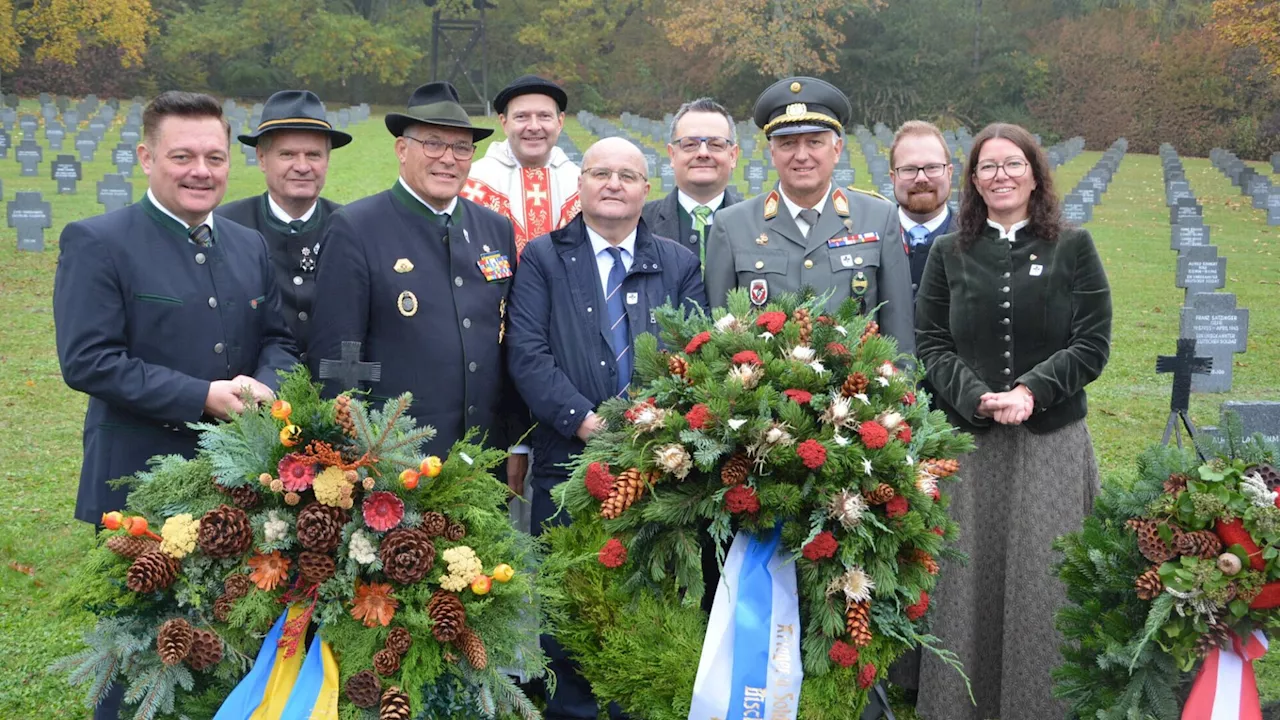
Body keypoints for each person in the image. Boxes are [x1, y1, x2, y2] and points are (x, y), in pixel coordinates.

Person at [53, 90, 297, 720]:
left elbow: (279, 338)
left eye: (214, 157)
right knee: (139, 654)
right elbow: (88, 360)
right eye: (182, 156)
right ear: (145, 157)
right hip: (136, 479)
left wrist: (268, 382)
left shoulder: (247, 245)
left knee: (228, 637)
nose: (201, 171)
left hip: (237, 481)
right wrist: (201, 397)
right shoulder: (99, 241)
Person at [914, 122, 1112, 720]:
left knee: (1044, 575)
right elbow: (930, 342)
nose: (1000, 175)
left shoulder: (1073, 247)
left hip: (1049, 440)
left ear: (1034, 174)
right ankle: (957, 703)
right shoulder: (949, 252)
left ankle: (1041, 704)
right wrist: (976, 397)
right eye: (987, 167)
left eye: (1012, 164)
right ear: (972, 181)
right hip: (969, 441)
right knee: (965, 578)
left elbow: (1092, 342)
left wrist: (1032, 391)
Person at [506, 136, 706, 720]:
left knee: (651, 600)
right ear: (581, 184)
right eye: (601, 173)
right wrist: (587, 424)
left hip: (658, 466)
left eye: (628, 175)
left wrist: (651, 429)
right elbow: (527, 354)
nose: (614, 184)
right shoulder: (543, 257)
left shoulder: (678, 263)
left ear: (647, 189)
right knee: (572, 603)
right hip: (570, 461)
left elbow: (693, 354)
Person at [307, 81, 528, 492]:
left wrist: (515, 444)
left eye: (462, 147)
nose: (448, 158)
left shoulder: (493, 227)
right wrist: (351, 455)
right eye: (433, 143)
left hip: (483, 456)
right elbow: (339, 357)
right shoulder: (357, 227)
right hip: (394, 467)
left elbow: (506, 341)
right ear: (402, 149)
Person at [705, 77, 914, 354]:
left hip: (858, 392)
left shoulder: (879, 217)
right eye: (788, 144)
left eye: (814, 142)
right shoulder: (732, 226)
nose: (801, 155)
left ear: (837, 149)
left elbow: (899, 335)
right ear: (772, 152)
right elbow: (719, 337)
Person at [216, 90, 351, 361]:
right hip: (252, 388)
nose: (302, 166)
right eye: (287, 154)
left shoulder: (352, 228)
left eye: (313, 155)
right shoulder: (224, 227)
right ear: (262, 158)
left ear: (327, 160)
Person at [465, 74, 580, 255]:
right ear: (504, 122)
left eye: (544, 116)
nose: (534, 126)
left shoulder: (580, 183)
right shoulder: (473, 181)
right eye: (521, 117)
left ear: (560, 122)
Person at [641, 97, 743, 270]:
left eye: (715, 144)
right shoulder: (639, 222)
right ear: (672, 155)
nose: (703, 153)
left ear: (733, 156)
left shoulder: (760, 224)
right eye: (690, 144)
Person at [889, 120, 953, 299]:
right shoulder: (871, 237)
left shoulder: (978, 237)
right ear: (893, 178)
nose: (921, 178)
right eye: (909, 169)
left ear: (949, 173)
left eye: (932, 167)